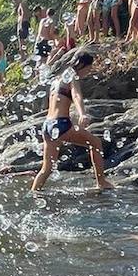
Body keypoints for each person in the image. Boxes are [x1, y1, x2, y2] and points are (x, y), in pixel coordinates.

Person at [31, 53, 111, 193]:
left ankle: (34, 192)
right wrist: (82, 114)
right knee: (96, 143)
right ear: (81, 65)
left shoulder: (57, 80)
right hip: (60, 124)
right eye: (89, 68)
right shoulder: (72, 77)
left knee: (46, 168)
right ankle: (101, 182)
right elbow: (76, 95)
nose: (88, 72)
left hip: (47, 126)